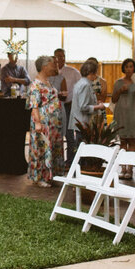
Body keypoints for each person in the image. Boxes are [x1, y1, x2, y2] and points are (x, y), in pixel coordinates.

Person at [26, 55, 63, 186]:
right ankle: (41, 177)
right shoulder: (35, 84)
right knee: (42, 148)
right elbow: (34, 105)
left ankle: (52, 175)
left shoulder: (48, 81)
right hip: (43, 121)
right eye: (52, 64)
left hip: (53, 123)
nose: (54, 66)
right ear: (44, 66)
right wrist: (37, 123)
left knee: (52, 147)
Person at [111, 58, 135, 178]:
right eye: (126, 67)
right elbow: (113, 100)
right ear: (123, 68)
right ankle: (123, 168)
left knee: (131, 140)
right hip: (121, 114)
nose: (128, 69)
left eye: (131, 66)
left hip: (133, 114)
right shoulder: (118, 82)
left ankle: (130, 169)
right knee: (122, 141)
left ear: (134, 68)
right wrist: (120, 91)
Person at [68, 60, 106, 147]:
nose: (96, 76)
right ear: (91, 73)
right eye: (95, 73)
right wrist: (98, 106)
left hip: (81, 123)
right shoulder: (85, 85)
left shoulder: (81, 83)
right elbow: (83, 107)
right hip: (83, 124)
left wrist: (95, 103)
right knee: (83, 150)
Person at [54, 49, 82, 160]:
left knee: (69, 134)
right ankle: (58, 160)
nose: (61, 58)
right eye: (58, 56)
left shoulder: (73, 71)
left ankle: (71, 160)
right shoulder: (51, 73)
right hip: (55, 107)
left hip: (69, 106)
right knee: (57, 134)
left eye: (63, 56)